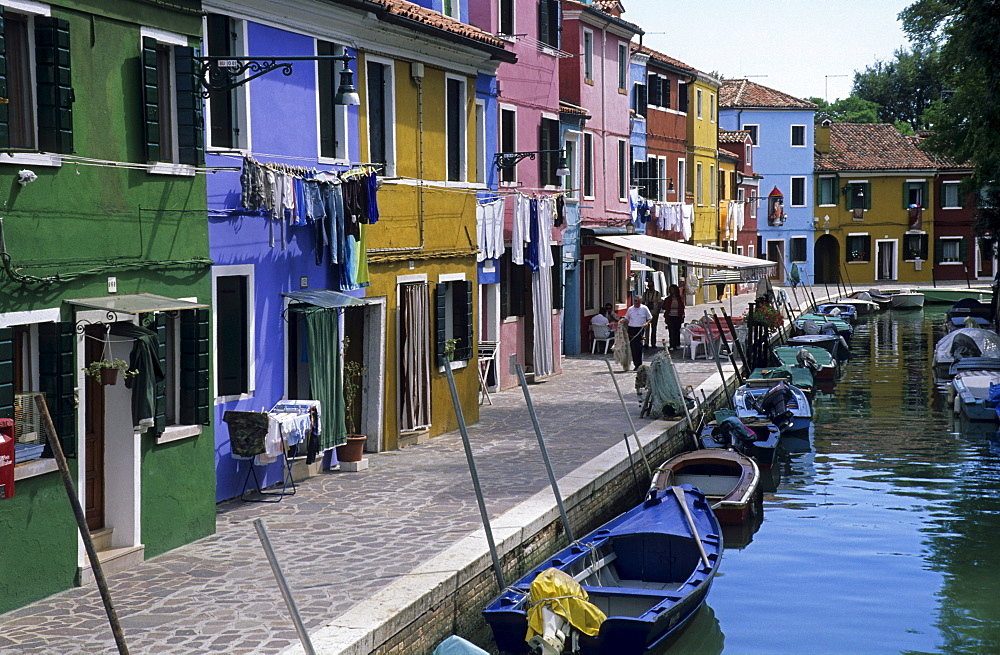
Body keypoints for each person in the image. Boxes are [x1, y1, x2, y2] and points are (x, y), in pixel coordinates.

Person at [620, 295, 653, 369]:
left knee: (639, 347)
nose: (637, 302)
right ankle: (636, 364)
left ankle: (639, 364)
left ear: (641, 301)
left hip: (640, 329)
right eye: (635, 301)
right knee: (633, 347)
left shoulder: (644, 308)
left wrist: (647, 323)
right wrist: (623, 320)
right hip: (632, 329)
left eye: (638, 301)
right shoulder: (630, 309)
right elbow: (627, 318)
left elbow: (650, 318)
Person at [662, 284, 685, 351]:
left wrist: (682, 316)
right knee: (671, 331)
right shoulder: (668, 299)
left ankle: (677, 343)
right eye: (670, 289)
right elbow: (664, 307)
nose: (672, 291)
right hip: (670, 316)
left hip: (678, 316)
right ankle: (672, 344)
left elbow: (682, 308)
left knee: (677, 330)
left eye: (673, 289)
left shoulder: (680, 299)